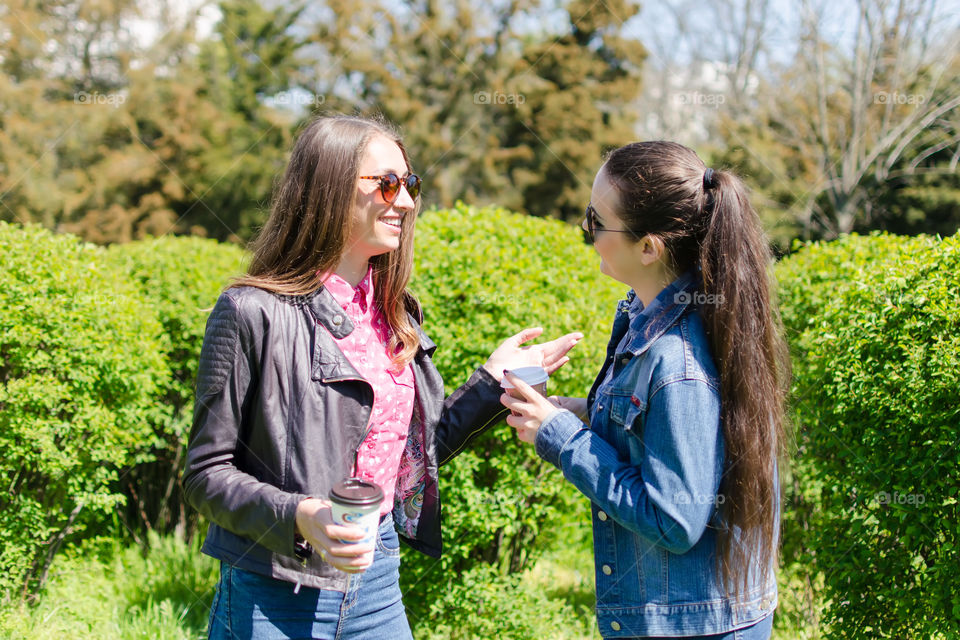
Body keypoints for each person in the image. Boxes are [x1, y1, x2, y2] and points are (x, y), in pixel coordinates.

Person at [182, 114, 581, 640]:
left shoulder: (394, 314)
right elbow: (205, 475)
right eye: (387, 184)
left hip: (378, 586)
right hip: (277, 589)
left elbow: (410, 454)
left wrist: (490, 382)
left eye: (410, 184)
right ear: (327, 189)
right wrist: (300, 517)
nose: (407, 201)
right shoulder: (251, 312)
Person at [500, 141, 790, 639]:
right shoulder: (654, 316)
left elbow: (675, 519)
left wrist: (564, 437)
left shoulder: (676, 360)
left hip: (695, 626)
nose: (586, 234)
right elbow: (650, 431)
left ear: (649, 247)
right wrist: (556, 412)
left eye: (595, 222)